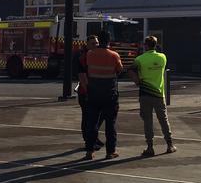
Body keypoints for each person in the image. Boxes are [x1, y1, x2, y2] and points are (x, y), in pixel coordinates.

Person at [128, 36, 177, 156]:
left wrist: (137, 81)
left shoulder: (139, 59)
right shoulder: (162, 57)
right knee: (163, 119)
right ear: (156, 45)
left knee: (147, 121)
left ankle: (150, 147)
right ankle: (169, 144)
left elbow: (130, 70)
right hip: (159, 93)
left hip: (145, 93)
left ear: (145, 45)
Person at [83, 30, 123, 160]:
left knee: (92, 123)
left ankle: (90, 151)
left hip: (93, 93)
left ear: (99, 40)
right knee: (110, 124)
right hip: (109, 94)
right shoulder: (114, 55)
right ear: (109, 41)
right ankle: (110, 151)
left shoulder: (90, 54)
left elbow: (88, 68)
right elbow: (119, 70)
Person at [74, 35, 104, 150]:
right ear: (87, 44)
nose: (95, 45)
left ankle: (93, 137)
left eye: (96, 43)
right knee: (87, 117)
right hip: (86, 92)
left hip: (96, 91)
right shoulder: (83, 56)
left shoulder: (95, 55)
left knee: (98, 116)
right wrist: (87, 91)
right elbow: (81, 76)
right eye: (93, 43)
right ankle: (88, 140)